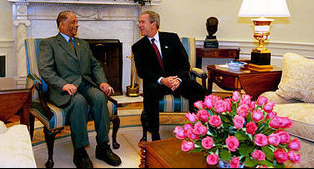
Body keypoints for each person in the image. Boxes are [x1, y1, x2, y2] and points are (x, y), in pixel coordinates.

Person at [38, 11, 121, 168]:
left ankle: (103, 147)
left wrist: (102, 82)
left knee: (99, 97)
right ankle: (80, 151)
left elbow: (95, 65)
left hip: (85, 83)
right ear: (62, 25)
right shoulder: (48, 44)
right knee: (79, 102)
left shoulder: (82, 44)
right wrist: (62, 84)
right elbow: (46, 70)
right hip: (63, 88)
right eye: (73, 22)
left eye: (76, 22)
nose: (77, 25)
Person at [132, 10, 207, 141]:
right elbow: (142, 72)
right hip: (157, 82)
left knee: (199, 90)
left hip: (176, 80)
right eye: (139, 22)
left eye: (142, 22)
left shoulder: (172, 38)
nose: (139, 25)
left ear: (153, 24)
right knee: (150, 92)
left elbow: (184, 63)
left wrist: (177, 79)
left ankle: (197, 130)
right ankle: (155, 136)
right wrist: (162, 80)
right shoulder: (138, 47)